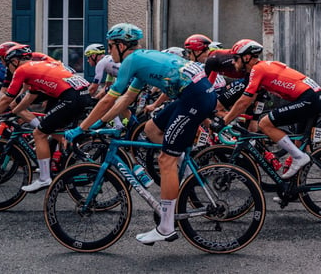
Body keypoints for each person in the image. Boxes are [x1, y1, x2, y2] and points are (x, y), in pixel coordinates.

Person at [67, 23, 217, 245]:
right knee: (150, 128)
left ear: (121, 44)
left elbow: (109, 98)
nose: (108, 52)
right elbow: (125, 99)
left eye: (110, 46)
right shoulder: (140, 61)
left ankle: (166, 227)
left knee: (166, 160)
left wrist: (82, 128)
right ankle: (183, 166)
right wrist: (100, 122)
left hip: (194, 97)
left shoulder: (132, 60)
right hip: (196, 93)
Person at [0, 44, 93, 192]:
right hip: (81, 95)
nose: (7, 67)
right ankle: (66, 155)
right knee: (50, 129)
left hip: (71, 98)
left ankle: (44, 179)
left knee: (39, 133)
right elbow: (30, 97)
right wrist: (14, 112)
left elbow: (6, 98)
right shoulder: (37, 68)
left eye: (7, 63)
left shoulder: (21, 70)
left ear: (15, 61)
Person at [220, 39, 321, 179]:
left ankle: (299, 157)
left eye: (235, 58)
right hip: (314, 97)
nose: (233, 63)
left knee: (265, 123)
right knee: (300, 145)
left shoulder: (258, 69)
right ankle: (294, 189)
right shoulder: (263, 67)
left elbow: (244, 101)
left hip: (309, 98)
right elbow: (250, 99)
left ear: (246, 57)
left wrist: (224, 121)